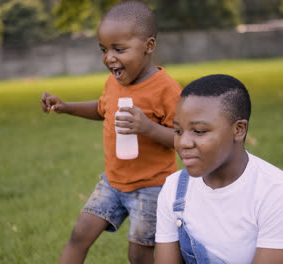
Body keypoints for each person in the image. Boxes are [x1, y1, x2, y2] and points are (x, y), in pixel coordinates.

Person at [40, 2, 181, 264]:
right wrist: (65, 107)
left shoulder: (166, 89)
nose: (109, 58)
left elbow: (184, 139)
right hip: (113, 182)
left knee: (138, 254)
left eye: (119, 49)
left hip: (152, 187)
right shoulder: (114, 82)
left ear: (149, 46)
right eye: (104, 50)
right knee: (80, 234)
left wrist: (147, 128)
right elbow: (102, 108)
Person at [154, 74, 283, 264]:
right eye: (178, 131)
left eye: (199, 131)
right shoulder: (175, 188)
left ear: (239, 129)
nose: (183, 142)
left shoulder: (277, 192)